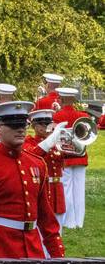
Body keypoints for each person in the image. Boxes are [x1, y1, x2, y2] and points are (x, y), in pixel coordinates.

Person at [0, 101, 64, 260]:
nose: (20, 129)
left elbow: (46, 218)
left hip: (33, 248)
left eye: (23, 125)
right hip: (1, 248)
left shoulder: (37, 163)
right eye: (13, 125)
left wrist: (58, 256)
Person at [52, 87, 90, 229]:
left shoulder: (57, 116)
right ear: (73, 100)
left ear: (61, 99)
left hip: (65, 157)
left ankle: (69, 221)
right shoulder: (83, 115)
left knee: (66, 189)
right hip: (80, 156)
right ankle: (79, 221)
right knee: (79, 189)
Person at [24, 108, 68, 221]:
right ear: (35, 126)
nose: (48, 128)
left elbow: (74, 155)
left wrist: (77, 142)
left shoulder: (56, 143)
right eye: (44, 124)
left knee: (58, 226)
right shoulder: (29, 142)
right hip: (42, 188)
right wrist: (51, 140)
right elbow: (34, 155)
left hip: (57, 190)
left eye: (49, 124)